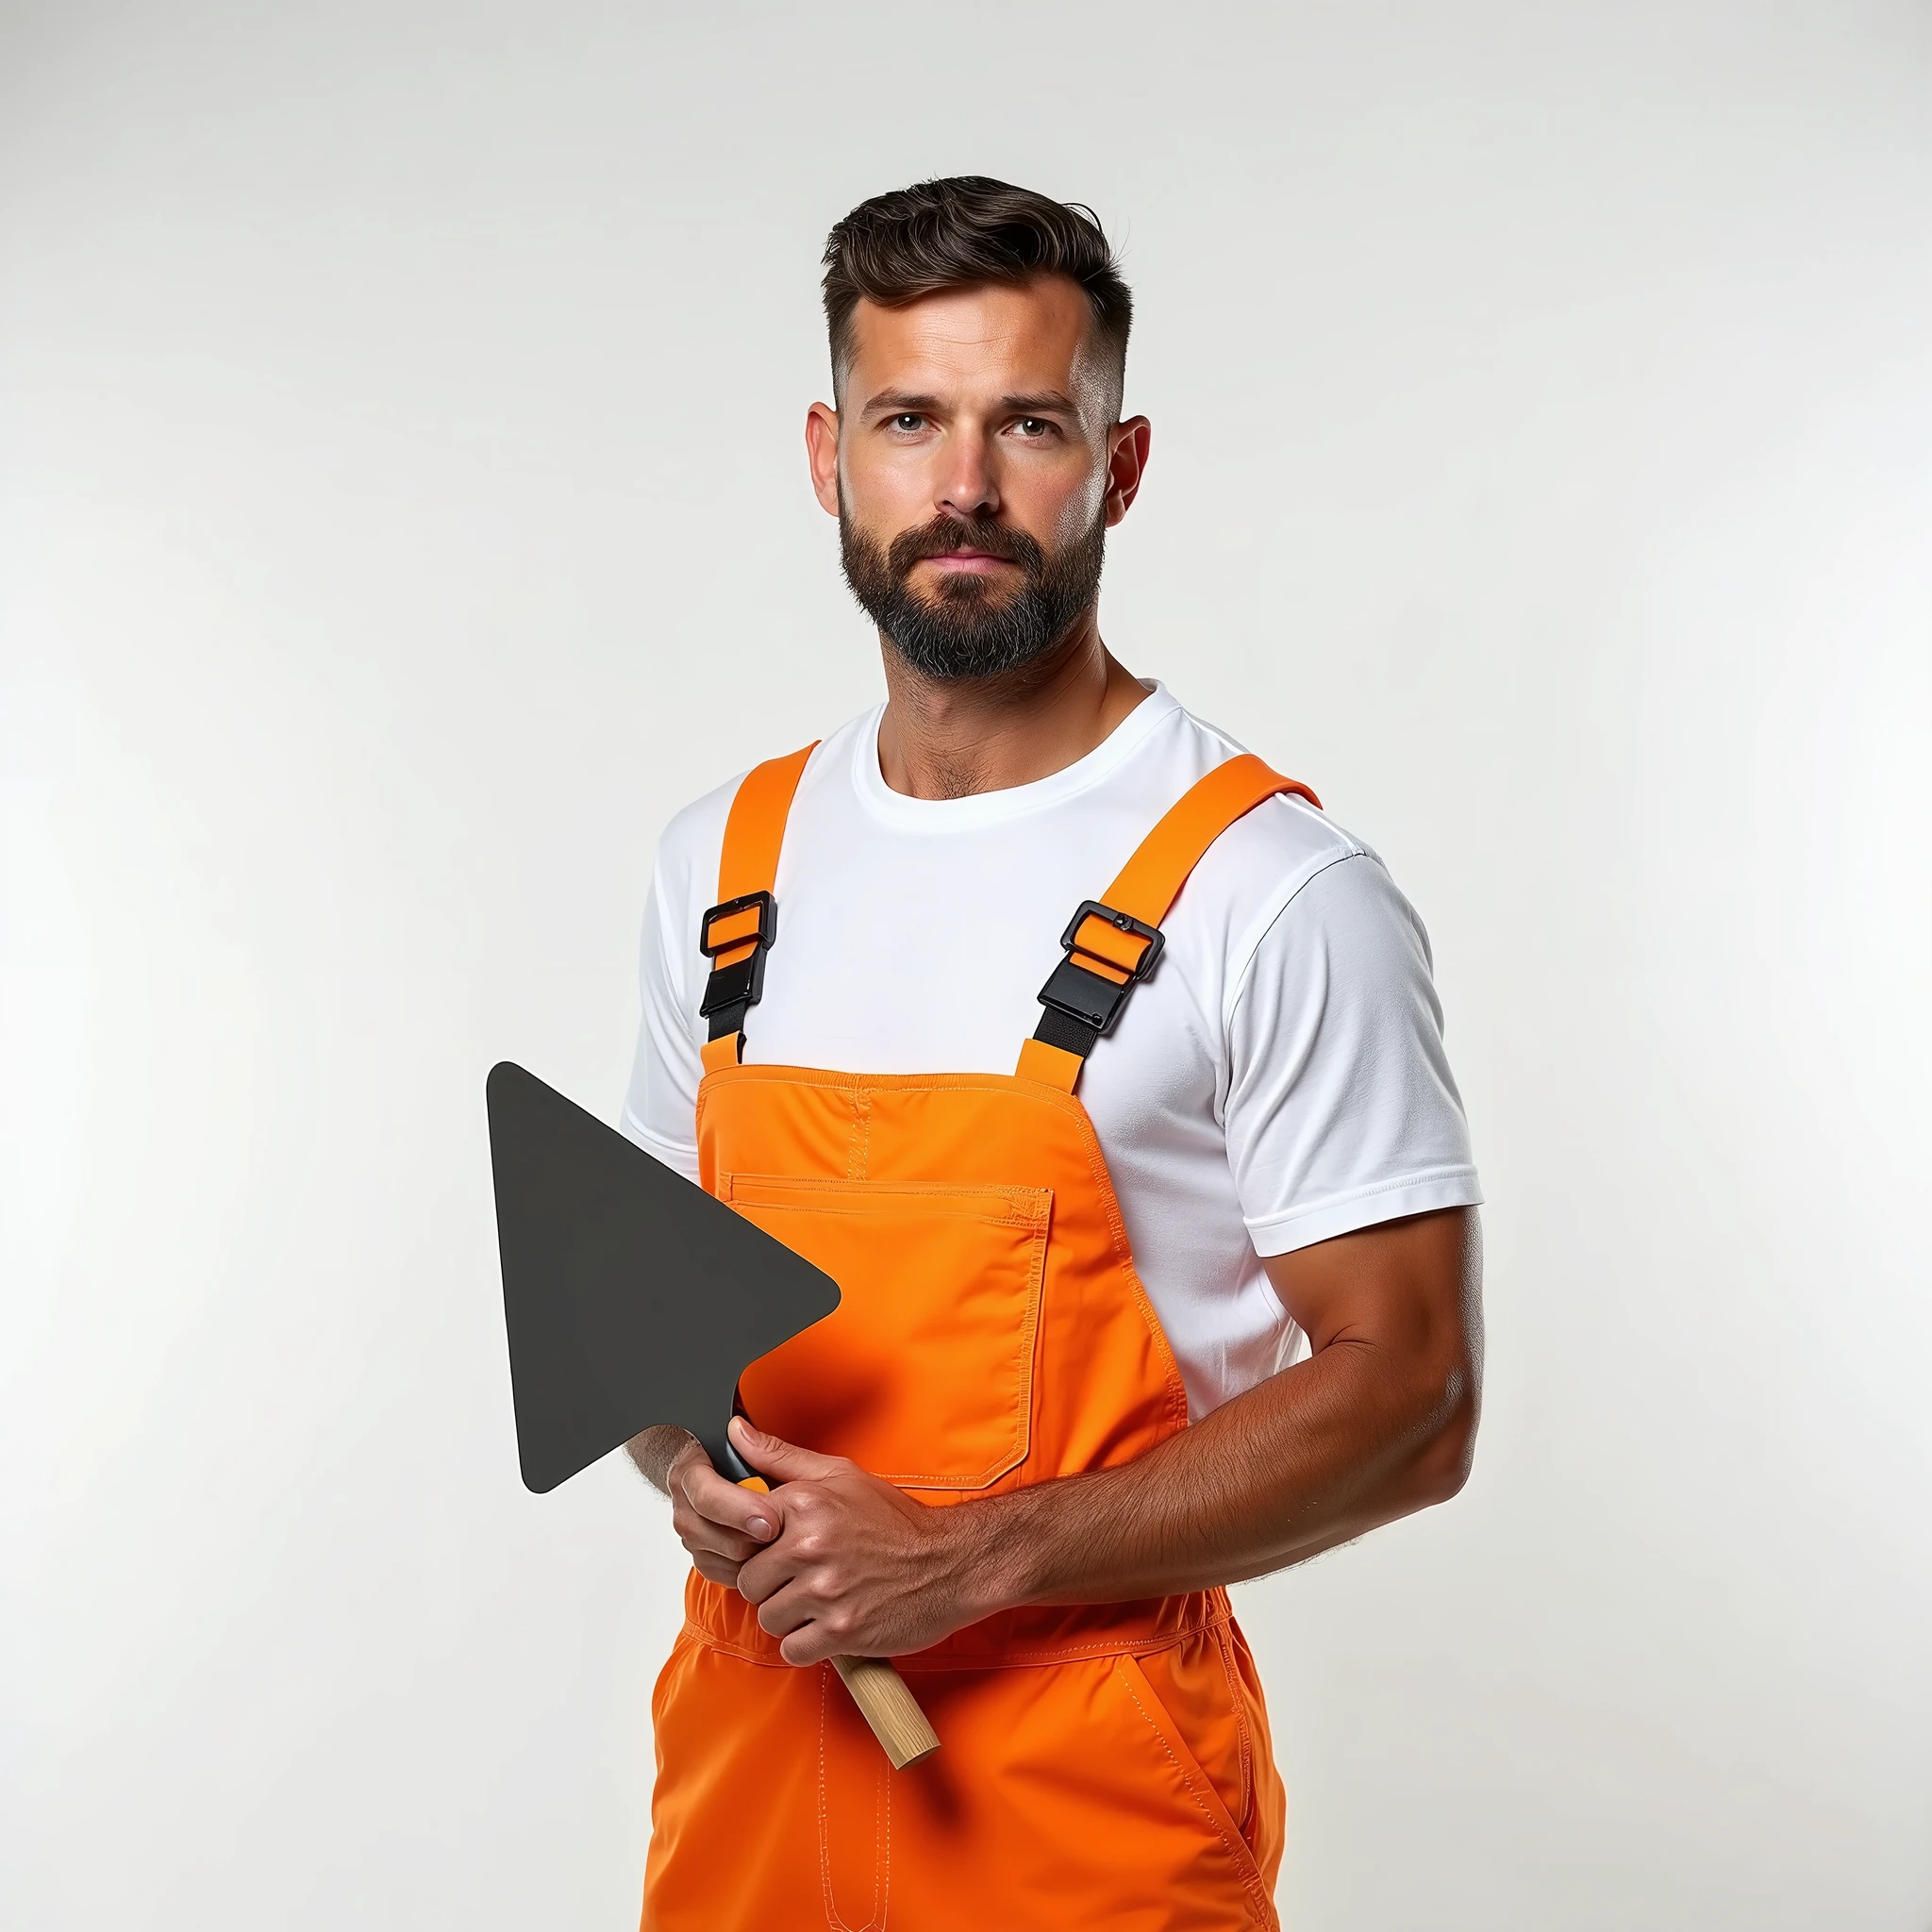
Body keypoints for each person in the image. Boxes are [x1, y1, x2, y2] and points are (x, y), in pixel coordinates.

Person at [622, 175, 1483, 1931]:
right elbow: (648, 1321)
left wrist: (971, 1559)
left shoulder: (1269, 888)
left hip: (1084, 1815)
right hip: (745, 1798)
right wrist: (685, 1463)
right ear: (824, 452)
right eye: (908, 420)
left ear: (1121, 463)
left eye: (1028, 424)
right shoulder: (725, 867)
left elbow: (1413, 1396)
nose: (961, 487)